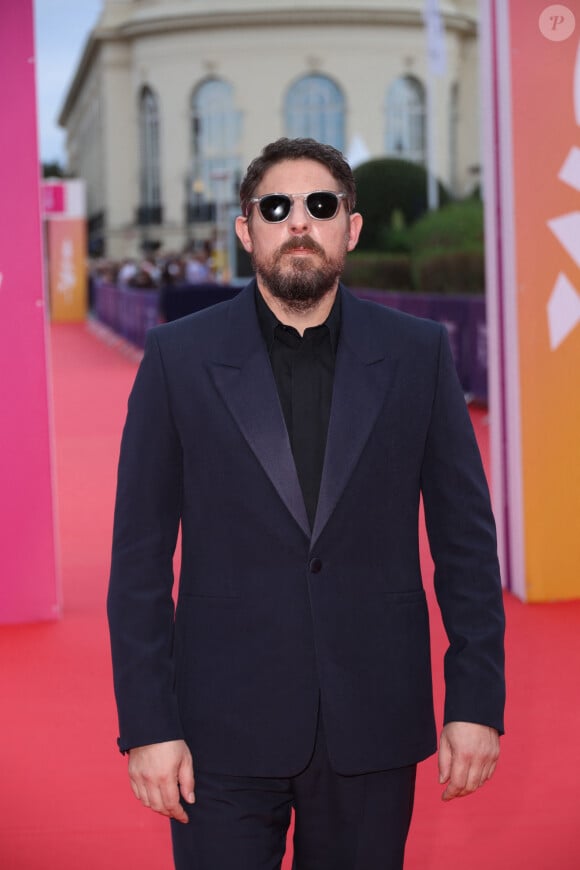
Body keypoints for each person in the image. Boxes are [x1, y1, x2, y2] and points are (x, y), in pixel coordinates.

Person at [107, 137, 505, 870]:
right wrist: (147, 724)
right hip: (216, 730)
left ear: (350, 228)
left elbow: (466, 542)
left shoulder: (419, 353)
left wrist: (476, 700)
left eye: (321, 205)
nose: (299, 221)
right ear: (245, 229)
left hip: (372, 723)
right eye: (277, 206)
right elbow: (138, 556)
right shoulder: (178, 357)